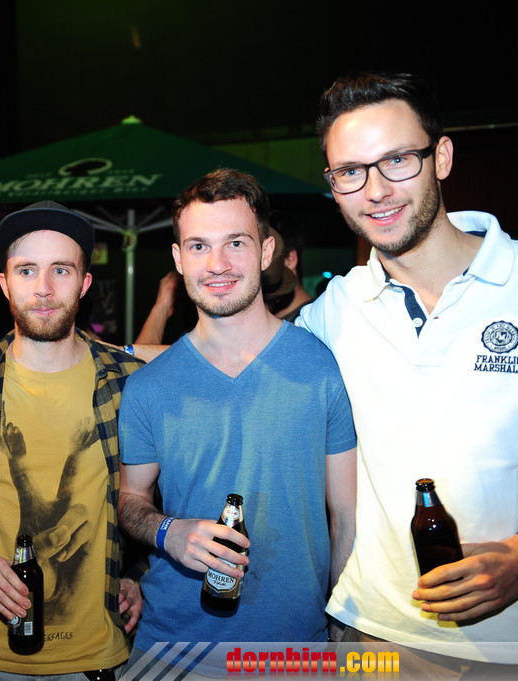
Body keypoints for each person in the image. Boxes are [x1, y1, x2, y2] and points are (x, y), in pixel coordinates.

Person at [299, 72, 518, 670]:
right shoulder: (334, 310)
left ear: (441, 157)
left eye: (397, 160)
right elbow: (228, 359)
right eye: (350, 171)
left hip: (515, 645)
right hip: (373, 637)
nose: (375, 190)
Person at [118, 169, 357, 664]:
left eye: (235, 243)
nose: (218, 264)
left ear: (266, 252)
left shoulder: (322, 368)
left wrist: (343, 624)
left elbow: (346, 515)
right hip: (170, 651)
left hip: (295, 647)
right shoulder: (148, 386)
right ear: (179, 259)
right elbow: (130, 499)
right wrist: (168, 532)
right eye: (199, 246)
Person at [0, 200, 144, 678]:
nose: (44, 288)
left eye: (61, 270)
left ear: (84, 283)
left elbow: (154, 499)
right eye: (27, 270)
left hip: (96, 656)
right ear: (5, 283)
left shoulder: (130, 383)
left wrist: (138, 575)